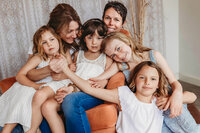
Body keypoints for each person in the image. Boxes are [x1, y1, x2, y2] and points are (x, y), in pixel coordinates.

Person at [88, 32, 200, 133]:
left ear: (127, 41)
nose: (119, 55)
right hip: (153, 111)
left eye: (118, 48)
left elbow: (174, 82)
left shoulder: (153, 55)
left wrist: (176, 96)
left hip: (169, 100)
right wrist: (101, 80)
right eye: (113, 55)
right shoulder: (121, 65)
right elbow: (101, 76)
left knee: (192, 130)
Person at [49, 57, 197, 133]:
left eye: (153, 79)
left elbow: (193, 97)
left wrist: (175, 98)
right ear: (134, 80)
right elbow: (90, 90)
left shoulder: (159, 99)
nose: (147, 83)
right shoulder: (125, 95)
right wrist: (67, 71)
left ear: (158, 84)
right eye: (142, 77)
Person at [41, 18, 112, 133]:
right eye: (90, 37)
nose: (94, 42)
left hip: (91, 93)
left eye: (99, 38)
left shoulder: (106, 58)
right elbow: (73, 76)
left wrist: (72, 90)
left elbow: (101, 82)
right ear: (84, 38)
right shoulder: (78, 54)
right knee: (46, 106)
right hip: (72, 88)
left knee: (70, 99)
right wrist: (64, 90)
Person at [0, 25, 70, 133]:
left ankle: (30, 129)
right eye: (44, 42)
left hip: (50, 88)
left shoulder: (65, 54)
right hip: (36, 86)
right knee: (22, 91)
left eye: (52, 39)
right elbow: (19, 75)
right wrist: (35, 86)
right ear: (40, 46)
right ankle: (8, 130)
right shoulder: (39, 58)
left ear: (58, 39)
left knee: (28, 94)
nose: (49, 44)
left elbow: (71, 73)